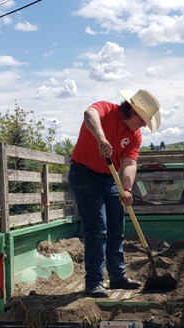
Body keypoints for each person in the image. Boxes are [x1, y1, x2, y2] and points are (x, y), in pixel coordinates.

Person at [69, 89, 161, 298]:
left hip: (110, 178)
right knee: (98, 229)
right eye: (144, 119)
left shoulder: (135, 136)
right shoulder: (105, 109)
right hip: (84, 174)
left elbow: (129, 163)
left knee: (116, 227)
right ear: (133, 111)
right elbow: (88, 114)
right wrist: (101, 139)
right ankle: (94, 282)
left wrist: (127, 189)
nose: (145, 124)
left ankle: (118, 276)